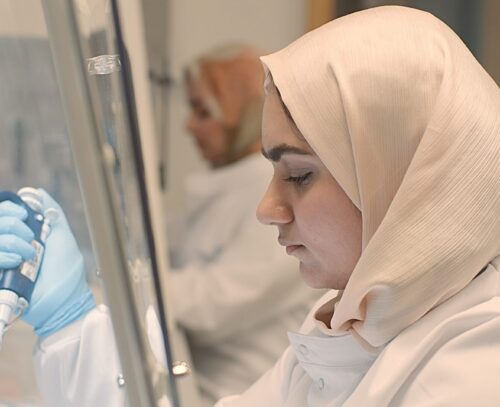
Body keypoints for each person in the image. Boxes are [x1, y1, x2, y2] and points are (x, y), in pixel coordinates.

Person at [0, 5, 498, 406]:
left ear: (404, 176)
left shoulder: (470, 373)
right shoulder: (354, 322)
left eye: (300, 175)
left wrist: (87, 294)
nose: (268, 209)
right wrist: (71, 326)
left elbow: (213, 301)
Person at [166, 45, 319, 405]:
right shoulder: (230, 184)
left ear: (246, 115)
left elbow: (215, 304)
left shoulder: (278, 194)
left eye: (203, 112)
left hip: (243, 388)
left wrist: (122, 289)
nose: (188, 126)